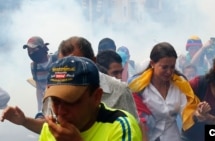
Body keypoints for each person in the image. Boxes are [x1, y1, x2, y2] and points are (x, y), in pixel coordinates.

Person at [1, 36, 138, 134]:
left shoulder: (119, 91)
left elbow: (134, 129)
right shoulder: (54, 91)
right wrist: (25, 121)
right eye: (64, 63)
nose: (69, 69)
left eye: (77, 62)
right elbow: (49, 126)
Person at [38, 56, 142, 140]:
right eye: (55, 100)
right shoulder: (50, 129)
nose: (61, 112)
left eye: (71, 101)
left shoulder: (120, 126)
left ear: (97, 97)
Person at [128, 42, 200, 141]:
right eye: (164, 67)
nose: (169, 72)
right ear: (153, 64)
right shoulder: (139, 87)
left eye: (172, 67)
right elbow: (137, 118)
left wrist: (198, 113)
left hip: (172, 137)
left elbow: (186, 111)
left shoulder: (179, 84)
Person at [23, 36, 57, 118]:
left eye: (34, 50)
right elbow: (39, 89)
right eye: (29, 50)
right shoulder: (34, 66)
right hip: (47, 104)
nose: (31, 53)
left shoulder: (55, 59)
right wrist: (40, 111)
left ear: (43, 48)